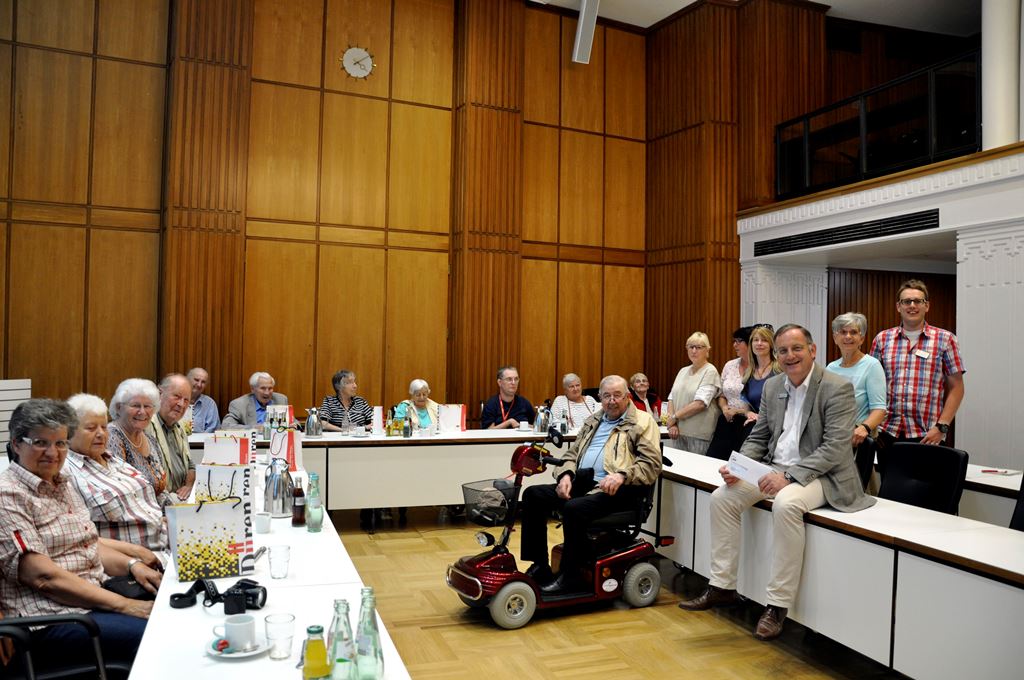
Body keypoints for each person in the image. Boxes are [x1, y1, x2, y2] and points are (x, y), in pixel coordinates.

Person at [678, 325, 875, 641]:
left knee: (786, 503)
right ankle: (722, 587)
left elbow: (835, 447)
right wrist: (739, 467)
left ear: (812, 350)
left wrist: (788, 476)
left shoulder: (837, 387)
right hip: (773, 468)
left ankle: (777, 606)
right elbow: (760, 435)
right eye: (783, 351)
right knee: (722, 497)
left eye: (796, 348)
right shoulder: (773, 386)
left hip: (822, 474)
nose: (789, 356)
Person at [0, 399, 162, 673]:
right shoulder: (9, 495)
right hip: (52, 620)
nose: (53, 453)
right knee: (160, 638)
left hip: (92, 600)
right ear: (17, 444)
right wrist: (127, 606)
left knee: (180, 609)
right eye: (41, 443)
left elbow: (86, 543)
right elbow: (44, 578)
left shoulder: (61, 483)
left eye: (61, 443)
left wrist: (132, 566)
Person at [520, 375, 662, 593]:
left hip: (621, 489)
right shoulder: (594, 420)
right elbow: (571, 454)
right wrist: (565, 475)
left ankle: (571, 576)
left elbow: (651, 465)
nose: (612, 401)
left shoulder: (642, 422)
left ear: (627, 397)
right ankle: (540, 565)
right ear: (599, 398)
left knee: (574, 508)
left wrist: (622, 475)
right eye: (607, 396)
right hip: (586, 482)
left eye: (617, 395)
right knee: (532, 495)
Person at [64, 394, 169, 563]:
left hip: (168, 544)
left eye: (104, 427)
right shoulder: (67, 472)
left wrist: (172, 522)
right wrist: (136, 555)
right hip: (138, 563)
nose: (100, 434)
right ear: (68, 432)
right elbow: (79, 538)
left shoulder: (113, 459)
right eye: (91, 428)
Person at [870, 279, 965, 447]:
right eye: (906, 301)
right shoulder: (882, 339)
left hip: (928, 434)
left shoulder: (945, 339)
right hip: (887, 432)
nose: (912, 305)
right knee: (887, 475)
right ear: (898, 306)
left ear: (926, 306)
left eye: (918, 301)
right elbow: (872, 385)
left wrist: (942, 427)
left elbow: (957, 388)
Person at [107, 378, 177, 506]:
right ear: (118, 407)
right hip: (137, 519)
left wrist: (173, 512)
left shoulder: (150, 440)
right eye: (135, 405)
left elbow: (161, 490)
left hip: (158, 515)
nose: (142, 412)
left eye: (147, 406)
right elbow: (121, 493)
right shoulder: (113, 437)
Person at [827, 312, 887, 449]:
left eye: (853, 332)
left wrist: (864, 428)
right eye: (843, 332)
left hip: (857, 439)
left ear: (861, 339)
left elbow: (879, 409)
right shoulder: (831, 368)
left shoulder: (872, 365)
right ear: (835, 338)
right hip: (833, 439)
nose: (848, 336)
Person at [666, 332, 722, 455]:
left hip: (699, 434)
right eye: (691, 347)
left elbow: (700, 403)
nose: (694, 351)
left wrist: (675, 417)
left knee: (696, 471)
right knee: (679, 471)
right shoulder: (683, 371)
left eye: (699, 347)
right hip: (678, 431)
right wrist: (672, 423)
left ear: (707, 350)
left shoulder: (710, 371)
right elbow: (672, 397)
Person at [145, 374, 195, 499]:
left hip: (181, 498)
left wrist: (188, 486)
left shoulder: (180, 427)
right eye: (177, 397)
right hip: (160, 501)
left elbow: (191, 465)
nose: (181, 404)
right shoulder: (145, 426)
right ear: (160, 394)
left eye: (186, 400)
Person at [707, 326, 752, 460]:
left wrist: (738, 411)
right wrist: (724, 408)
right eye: (734, 341)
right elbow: (721, 395)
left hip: (748, 423)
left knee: (739, 465)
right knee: (713, 460)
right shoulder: (730, 365)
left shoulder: (759, 368)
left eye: (739, 341)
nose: (735, 345)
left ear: (750, 343)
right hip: (727, 419)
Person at [222, 371, 289, 428]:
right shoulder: (239, 404)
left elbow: (293, 422)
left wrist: (294, 426)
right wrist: (253, 428)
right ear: (253, 389)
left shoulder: (281, 400)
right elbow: (226, 425)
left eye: (270, 388)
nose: (267, 392)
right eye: (263, 388)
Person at [187, 366, 220, 433]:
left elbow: (213, 431)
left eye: (203, 382)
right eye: (196, 380)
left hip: (201, 443)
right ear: (187, 379)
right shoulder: (176, 400)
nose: (199, 385)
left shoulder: (209, 404)